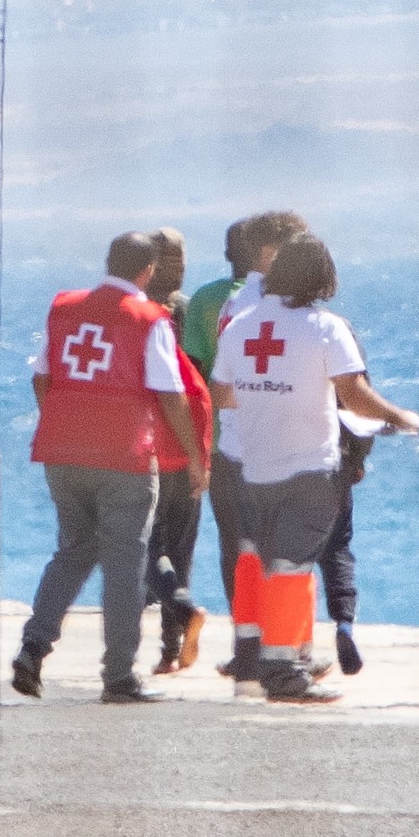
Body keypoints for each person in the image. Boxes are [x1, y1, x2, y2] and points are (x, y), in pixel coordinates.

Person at [208, 230, 416, 701]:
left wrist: (267, 394)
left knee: (255, 562)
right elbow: (354, 395)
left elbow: (221, 393)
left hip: (253, 468)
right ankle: (284, 671)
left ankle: (250, 657)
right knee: (290, 568)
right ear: (324, 276)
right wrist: (397, 416)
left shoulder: (240, 325)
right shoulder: (326, 327)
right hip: (309, 468)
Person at [11, 232, 189, 701]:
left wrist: (63, 424)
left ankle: (33, 648)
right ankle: (118, 676)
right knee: (124, 564)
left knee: (72, 552)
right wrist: (192, 456)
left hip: (62, 454)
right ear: (147, 272)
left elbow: (42, 377)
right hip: (123, 457)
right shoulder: (151, 319)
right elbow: (171, 395)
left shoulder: (64, 307)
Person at [161, 210, 301, 673]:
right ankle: (285, 647)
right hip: (273, 441)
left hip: (221, 440)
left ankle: (246, 644)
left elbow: (195, 377)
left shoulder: (207, 302)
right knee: (283, 547)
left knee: (234, 546)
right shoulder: (285, 304)